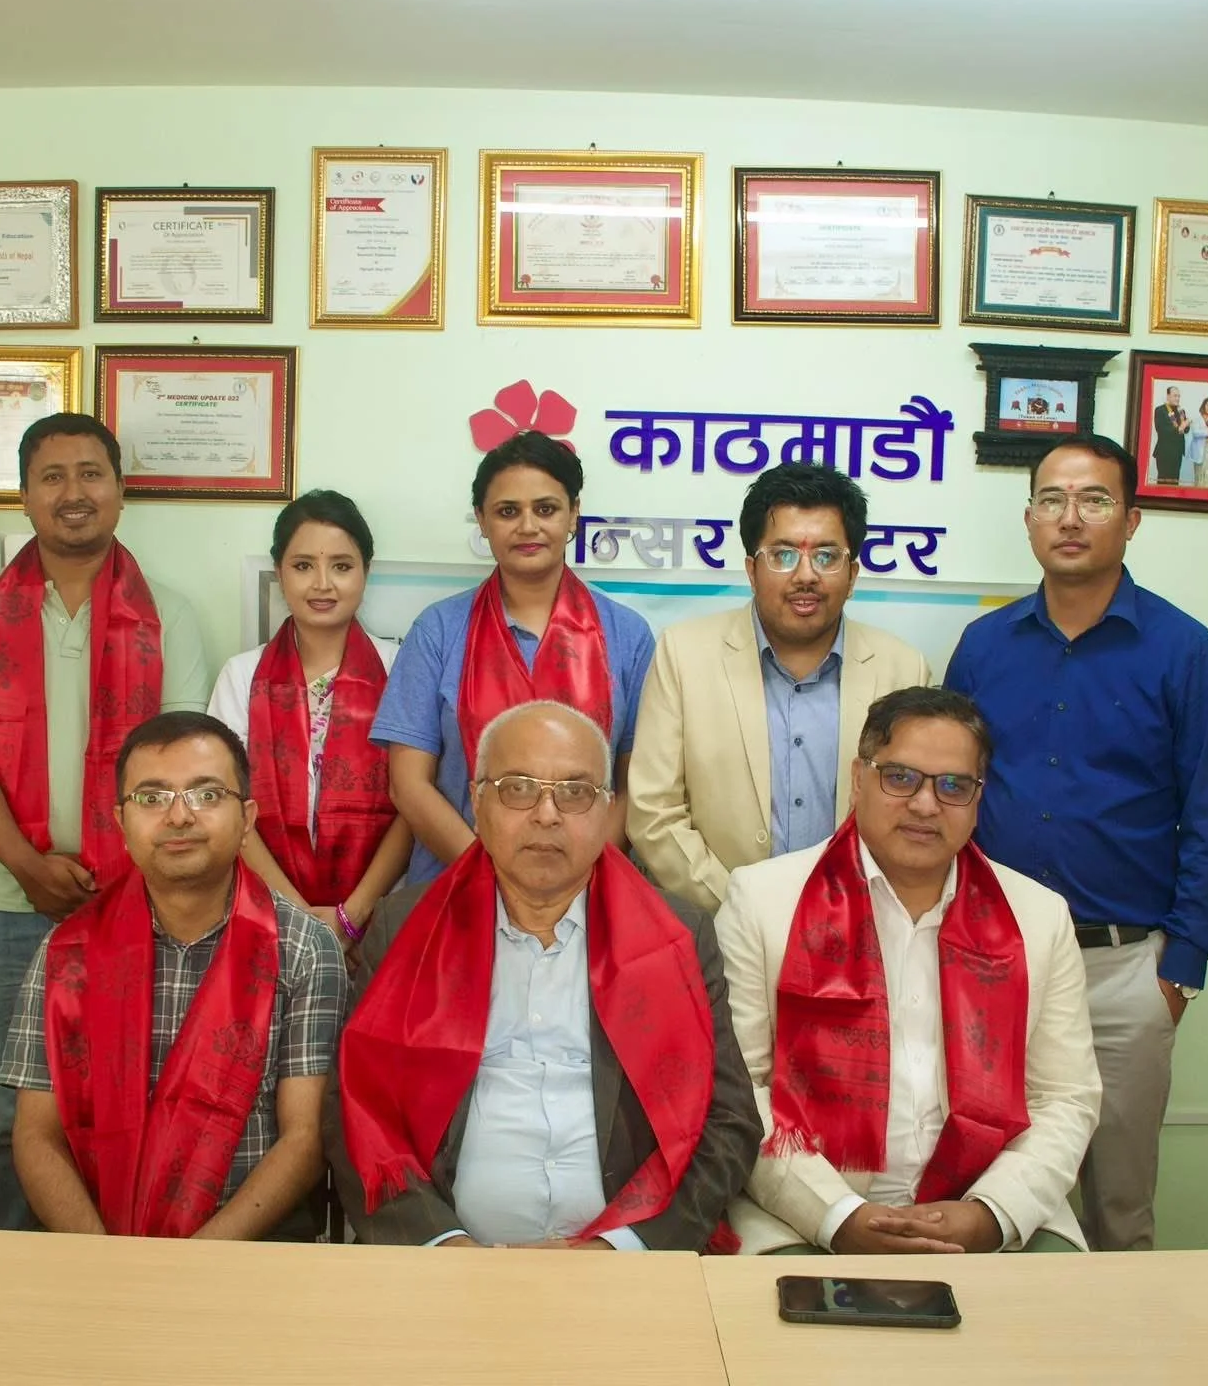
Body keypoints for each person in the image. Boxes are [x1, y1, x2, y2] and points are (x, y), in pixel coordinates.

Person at [944, 435, 1208, 1252]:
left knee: (1117, 1208)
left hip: (1122, 973)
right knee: (985, 1198)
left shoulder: (1188, 654)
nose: (1069, 519)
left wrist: (1178, 974)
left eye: (1094, 500)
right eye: (1052, 500)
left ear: (1133, 519)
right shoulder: (984, 647)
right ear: (1030, 517)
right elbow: (943, 792)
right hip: (992, 962)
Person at [325, 700, 760, 1249]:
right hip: (446, 1271)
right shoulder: (405, 929)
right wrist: (442, 1244)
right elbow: (357, 1112)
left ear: (606, 812)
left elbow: (727, 1122)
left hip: (625, 1268)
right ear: (477, 804)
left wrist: (620, 1248)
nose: (547, 814)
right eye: (518, 788)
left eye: (575, 792)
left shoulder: (678, 937)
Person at [0, 411, 211, 1231]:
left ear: (120, 492)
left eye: (91, 473)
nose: (73, 493)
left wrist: (125, 877)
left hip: (142, 910)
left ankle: (121, 1294)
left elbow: (181, 774)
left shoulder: (171, 615)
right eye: (52, 476)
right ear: (24, 497)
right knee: (7, 1122)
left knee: (134, 1110)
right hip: (3, 909)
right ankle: (13, 1304)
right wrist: (26, 865)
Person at [714, 686, 1099, 1254]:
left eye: (953, 786)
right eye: (900, 777)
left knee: (1061, 1324)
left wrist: (991, 1214)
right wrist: (839, 1216)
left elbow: (1065, 1098)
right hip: (808, 1214)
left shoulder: (1038, 918)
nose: (925, 804)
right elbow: (743, 1092)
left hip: (991, 1203)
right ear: (858, 778)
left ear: (977, 799)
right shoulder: (763, 900)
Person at [0, 712, 348, 1238]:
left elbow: (302, 1140)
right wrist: (103, 1260)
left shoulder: (304, 949)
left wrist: (192, 1263)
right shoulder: (69, 950)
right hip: (93, 1249)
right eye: (152, 797)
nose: (179, 816)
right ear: (120, 822)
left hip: (250, 1253)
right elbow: (35, 1134)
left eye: (206, 795)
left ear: (247, 817)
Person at [628, 464, 930, 913]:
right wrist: (741, 910)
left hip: (858, 933)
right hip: (721, 930)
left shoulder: (903, 668)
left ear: (853, 573)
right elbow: (654, 811)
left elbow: (912, 813)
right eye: (783, 555)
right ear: (752, 569)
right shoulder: (684, 654)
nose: (805, 575)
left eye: (826, 556)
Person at [372, 431, 655, 885]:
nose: (528, 526)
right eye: (508, 511)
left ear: (574, 515)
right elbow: (408, 785)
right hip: (456, 886)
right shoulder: (439, 630)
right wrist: (495, 879)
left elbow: (636, 784)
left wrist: (574, 876)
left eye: (545, 509)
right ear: (482, 521)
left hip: (588, 892)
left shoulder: (627, 635)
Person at [207, 490, 411, 954]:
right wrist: (298, 918)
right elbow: (228, 806)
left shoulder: (401, 669)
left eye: (341, 566)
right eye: (303, 566)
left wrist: (354, 916)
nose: (323, 583)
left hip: (381, 917)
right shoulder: (241, 676)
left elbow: (413, 802)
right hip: (266, 917)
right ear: (279, 573)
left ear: (366, 571)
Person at [1149, 386, 1189, 485]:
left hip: (1177, 452)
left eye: (1179, 396)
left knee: (1175, 481)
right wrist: (1179, 428)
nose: (1177, 398)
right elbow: (1161, 429)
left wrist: (1185, 425)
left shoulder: (1181, 411)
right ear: (1168, 396)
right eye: (1175, 396)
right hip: (1164, 453)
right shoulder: (1160, 410)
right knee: (1164, 482)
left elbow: (1186, 429)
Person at [1184, 397, 1208, 487]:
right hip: (1200, 451)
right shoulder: (1197, 418)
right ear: (1203, 406)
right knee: (1200, 475)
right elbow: (1195, 433)